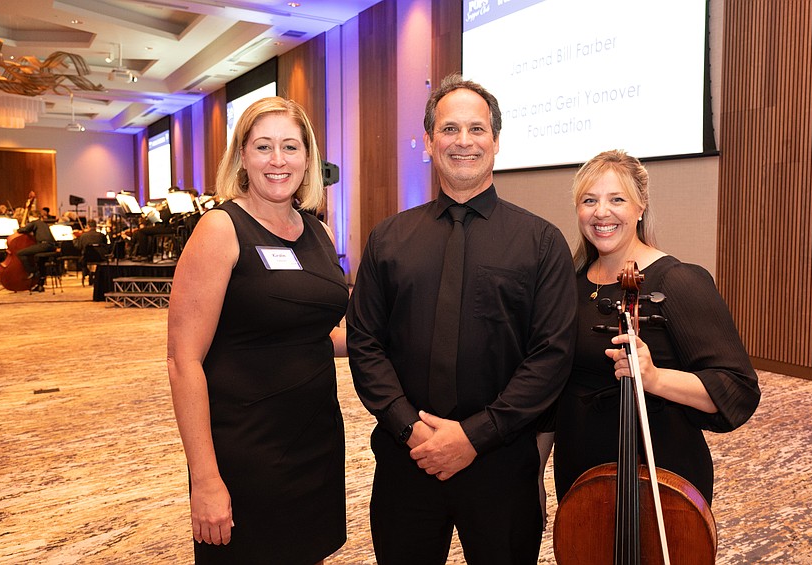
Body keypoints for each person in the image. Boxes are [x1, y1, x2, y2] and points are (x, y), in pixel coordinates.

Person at [346, 74, 577, 565]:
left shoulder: (541, 242)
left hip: (502, 462)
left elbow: (551, 355)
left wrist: (476, 435)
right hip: (407, 458)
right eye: (450, 129)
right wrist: (410, 429)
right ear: (429, 142)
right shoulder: (388, 239)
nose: (464, 141)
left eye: (477, 129)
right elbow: (365, 343)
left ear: (496, 140)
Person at [167, 96, 348, 564]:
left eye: (290, 147)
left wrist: (400, 333)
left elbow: (313, 334)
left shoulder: (318, 233)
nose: (277, 160)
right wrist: (205, 478)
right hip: (245, 447)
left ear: (308, 159)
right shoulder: (221, 229)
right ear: (242, 156)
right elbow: (182, 360)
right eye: (263, 146)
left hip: (315, 439)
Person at [552, 149, 761, 511]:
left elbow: (737, 389)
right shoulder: (568, 286)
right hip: (581, 469)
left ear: (640, 207)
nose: (602, 212)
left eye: (617, 199)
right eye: (589, 200)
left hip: (659, 475)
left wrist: (655, 378)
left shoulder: (678, 281)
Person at [16, 213, 56, 280]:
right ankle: (41, 280)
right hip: (51, 246)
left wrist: (17, 230)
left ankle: (32, 271)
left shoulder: (34, 222)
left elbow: (24, 230)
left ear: (31, 217)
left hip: (43, 245)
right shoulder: (44, 224)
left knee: (20, 253)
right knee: (40, 260)